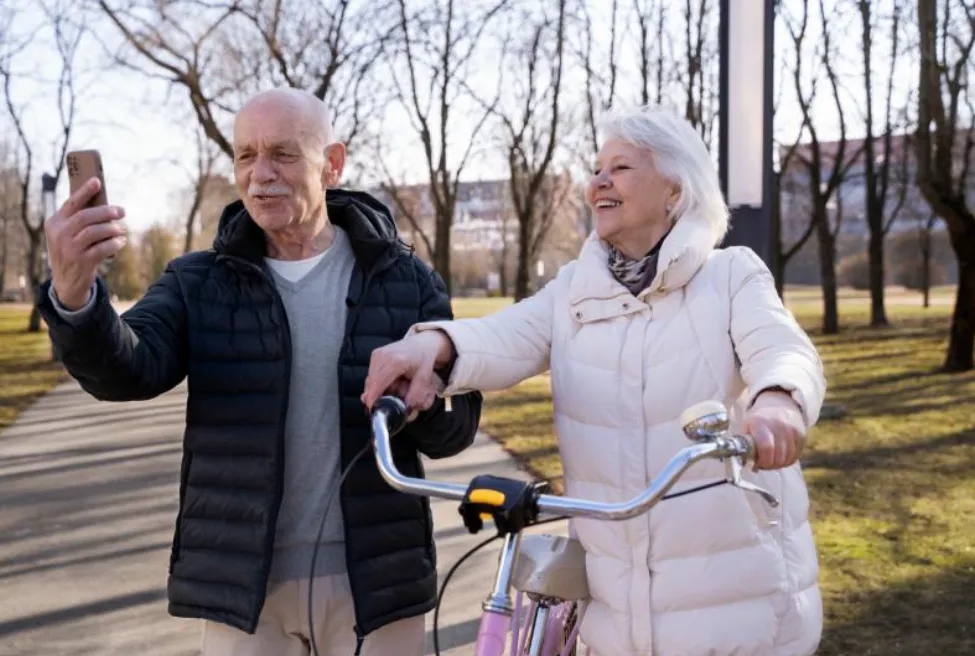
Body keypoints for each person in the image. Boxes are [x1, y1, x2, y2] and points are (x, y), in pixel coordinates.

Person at [362, 106, 827, 656]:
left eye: (622, 168)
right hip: (615, 605)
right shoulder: (575, 291)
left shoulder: (729, 276)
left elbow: (782, 349)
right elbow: (505, 336)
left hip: (735, 604)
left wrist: (777, 404)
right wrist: (431, 346)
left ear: (675, 191)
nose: (598, 182)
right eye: (598, 168)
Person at [38, 88, 482, 656]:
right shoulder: (199, 280)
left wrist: (428, 396)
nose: (260, 174)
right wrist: (76, 297)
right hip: (243, 590)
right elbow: (127, 370)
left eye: (283, 154)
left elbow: (457, 429)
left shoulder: (405, 278)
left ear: (333, 164)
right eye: (246, 156)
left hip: (377, 582)